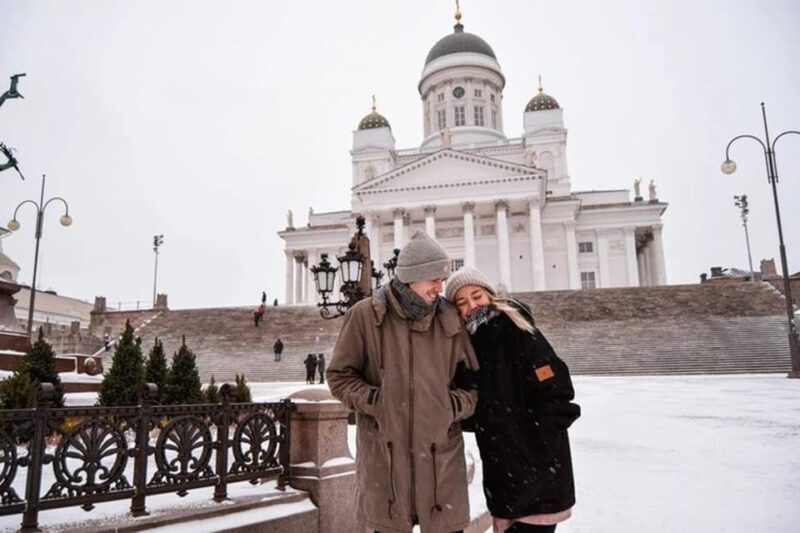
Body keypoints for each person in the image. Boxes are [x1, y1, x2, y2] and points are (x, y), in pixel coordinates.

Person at [327, 230, 478, 533]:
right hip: (385, 461)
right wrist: (374, 401)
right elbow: (339, 376)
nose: (440, 286)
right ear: (410, 277)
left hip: (440, 462)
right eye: (433, 278)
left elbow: (474, 382)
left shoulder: (450, 319)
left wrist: (450, 406)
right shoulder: (364, 317)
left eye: (442, 278)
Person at [445, 266, 580, 533]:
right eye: (462, 302)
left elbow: (557, 392)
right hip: (503, 476)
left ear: (489, 296)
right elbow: (477, 409)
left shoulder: (517, 331)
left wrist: (536, 445)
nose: (471, 306)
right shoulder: (471, 345)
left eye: (476, 296)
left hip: (537, 476)